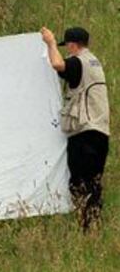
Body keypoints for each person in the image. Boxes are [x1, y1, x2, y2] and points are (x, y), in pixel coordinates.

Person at [41, 26, 110, 230]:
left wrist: (51, 43)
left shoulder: (78, 62)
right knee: (94, 183)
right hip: (100, 133)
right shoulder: (94, 63)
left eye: (66, 46)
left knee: (80, 183)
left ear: (72, 45)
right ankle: (93, 227)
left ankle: (87, 227)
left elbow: (57, 64)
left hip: (84, 134)